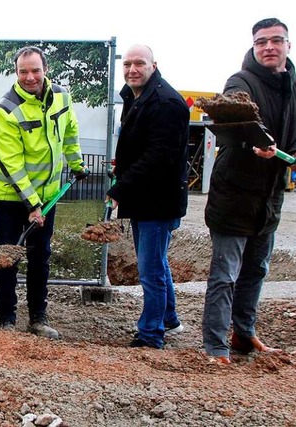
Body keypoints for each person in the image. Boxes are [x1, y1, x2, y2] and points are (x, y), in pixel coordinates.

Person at [202, 18, 296, 364]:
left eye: (275, 40)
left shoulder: (294, 87)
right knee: (225, 274)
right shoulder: (239, 82)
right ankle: (215, 345)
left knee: (256, 270)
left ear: (288, 44)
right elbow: (230, 127)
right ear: (253, 46)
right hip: (234, 195)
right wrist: (254, 143)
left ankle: (243, 333)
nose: (268, 47)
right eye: (261, 42)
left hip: (269, 198)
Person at [0, 46, 88, 339]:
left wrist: (77, 163)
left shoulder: (62, 97)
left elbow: (69, 132)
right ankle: (6, 319)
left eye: (35, 70)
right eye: (23, 72)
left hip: (48, 194)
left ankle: (37, 318)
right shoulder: (3, 110)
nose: (29, 77)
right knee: (8, 256)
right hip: (11, 196)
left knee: (41, 255)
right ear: (16, 73)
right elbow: (12, 163)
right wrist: (32, 204)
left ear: (46, 70)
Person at [107, 45, 189, 349]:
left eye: (139, 63)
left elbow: (158, 158)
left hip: (158, 200)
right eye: (127, 64)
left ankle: (151, 334)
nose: (132, 69)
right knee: (157, 262)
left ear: (154, 65)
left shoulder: (167, 103)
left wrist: (119, 187)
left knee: (150, 269)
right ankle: (169, 318)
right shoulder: (136, 96)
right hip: (144, 198)